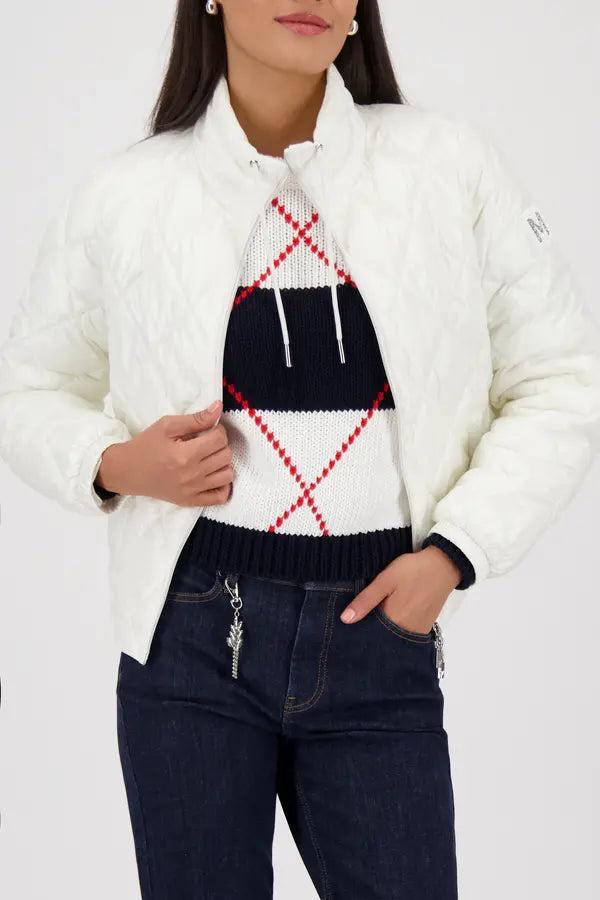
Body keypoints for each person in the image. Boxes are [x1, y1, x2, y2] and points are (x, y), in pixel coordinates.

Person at [2, 1, 600, 897]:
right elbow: (27, 389)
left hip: (380, 631)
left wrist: (454, 553)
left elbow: (562, 375)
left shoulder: (449, 166)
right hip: (190, 637)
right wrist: (118, 464)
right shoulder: (128, 194)